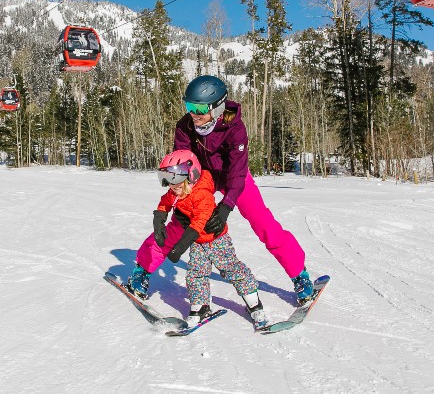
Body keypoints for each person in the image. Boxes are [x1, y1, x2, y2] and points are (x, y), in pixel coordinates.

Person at [129, 75, 316, 304]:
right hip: (201, 176)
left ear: (217, 107)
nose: (193, 114)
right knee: (180, 224)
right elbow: (183, 164)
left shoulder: (234, 127)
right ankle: (143, 269)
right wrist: (181, 205)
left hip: (232, 176)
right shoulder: (185, 126)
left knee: (262, 222)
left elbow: (238, 171)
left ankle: (299, 274)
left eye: (199, 108)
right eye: (189, 106)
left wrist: (226, 206)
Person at [129, 149, 269, 327]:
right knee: (196, 275)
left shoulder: (202, 195)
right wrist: (159, 221)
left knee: (232, 269)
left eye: (175, 179)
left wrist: (178, 249)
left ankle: (254, 303)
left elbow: (197, 225)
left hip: (216, 240)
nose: (171, 185)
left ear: (191, 174)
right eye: (166, 178)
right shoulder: (176, 191)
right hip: (198, 244)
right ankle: (200, 306)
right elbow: (164, 202)